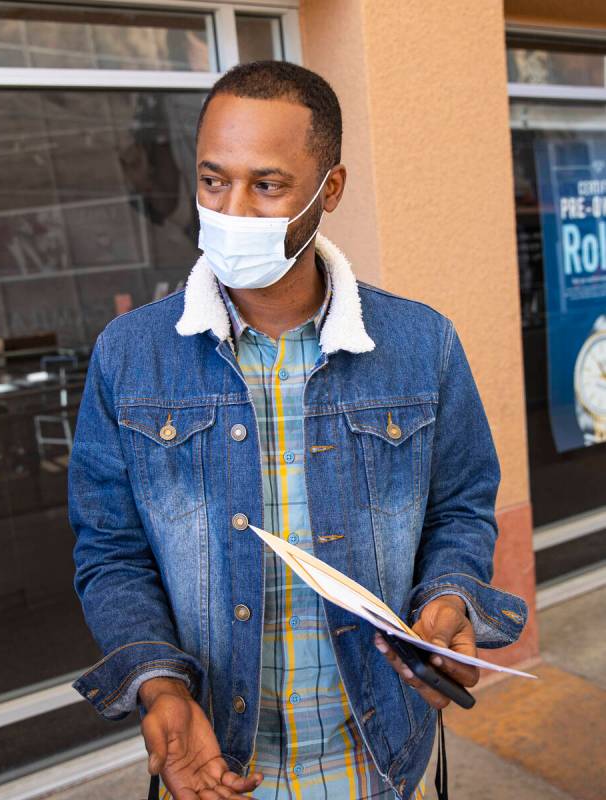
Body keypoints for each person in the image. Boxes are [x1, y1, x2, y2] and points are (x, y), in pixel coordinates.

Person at [69, 61, 528, 800]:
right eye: (214, 181)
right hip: (216, 762)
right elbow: (111, 553)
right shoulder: (130, 357)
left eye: (267, 184)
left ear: (330, 190)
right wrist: (159, 684)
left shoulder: (421, 344)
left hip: (376, 759)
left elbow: (461, 507)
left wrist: (448, 597)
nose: (232, 210)